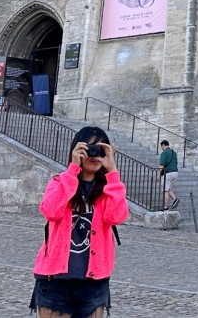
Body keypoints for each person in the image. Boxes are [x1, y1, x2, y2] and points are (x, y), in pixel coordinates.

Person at [30, 126, 129, 318]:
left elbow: (117, 217)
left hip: (93, 283)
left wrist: (113, 170)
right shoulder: (60, 182)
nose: (95, 155)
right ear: (78, 149)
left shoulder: (109, 189)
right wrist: (73, 169)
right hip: (55, 281)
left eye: (100, 149)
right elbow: (50, 211)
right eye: (89, 148)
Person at [157, 140, 180, 211]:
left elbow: (161, 165)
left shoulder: (165, 153)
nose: (161, 148)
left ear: (163, 145)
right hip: (175, 173)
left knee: (165, 191)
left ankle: (165, 207)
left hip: (168, 173)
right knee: (168, 188)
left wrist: (158, 175)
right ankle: (175, 199)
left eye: (161, 146)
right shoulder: (174, 153)